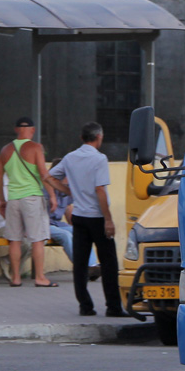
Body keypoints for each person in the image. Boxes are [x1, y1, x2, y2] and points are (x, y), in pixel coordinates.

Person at [47, 122, 123, 317]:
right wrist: (108, 220)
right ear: (99, 137)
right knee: (109, 263)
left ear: (82, 138)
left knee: (80, 264)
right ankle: (113, 307)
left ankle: (85, 306)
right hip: (97, 217)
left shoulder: (70, 157)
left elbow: (48, 178)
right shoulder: (99, 159)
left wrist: (68, 191)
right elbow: (100, 190)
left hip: (79, 217)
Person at [0, 117, 58, 288]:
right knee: (37, 239)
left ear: (16, 129)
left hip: (13, 199)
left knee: (14, 240)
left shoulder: (5, 150)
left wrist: (2, 200)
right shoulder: (36, 147)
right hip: (32, 198)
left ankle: (15, 278)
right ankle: (40, 277)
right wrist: (52, 195)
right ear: (33, 130)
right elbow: (44, 174)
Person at [48, 167, 100, 282]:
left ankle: (92, 266)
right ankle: (81, 268)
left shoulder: (66, 192)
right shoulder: (47, 191)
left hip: (57, 224)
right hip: (44, 224)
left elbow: (68, 208)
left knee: (82, 233)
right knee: (65, 235)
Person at [0, 173, 30, 281]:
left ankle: (8, 264)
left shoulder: (19, 184)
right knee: (24, 242)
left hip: (12, 226)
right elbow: (3, 210)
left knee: (38, 240)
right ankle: (14, 274)